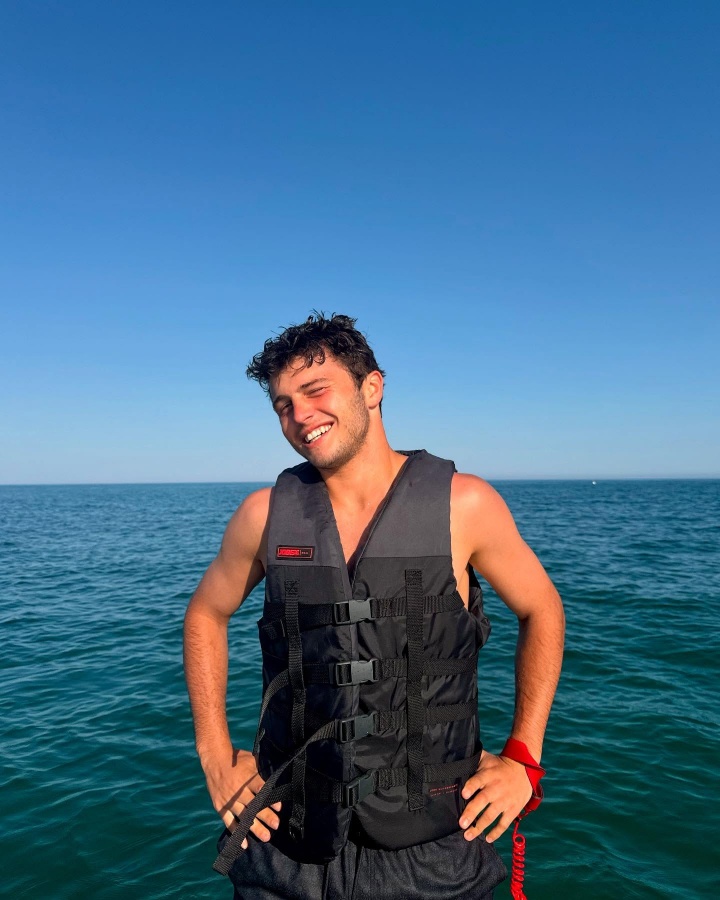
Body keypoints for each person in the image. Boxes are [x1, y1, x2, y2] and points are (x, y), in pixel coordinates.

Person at [184, 313, 565, 899]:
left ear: (371, 387)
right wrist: (214, 755)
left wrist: (523, 757)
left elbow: (542, 609)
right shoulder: (263, 515)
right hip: (286, 845)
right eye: (283, 405)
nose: (300, 415)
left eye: (315, 391)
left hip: (434, 850)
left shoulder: (464, 505)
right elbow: (205, 614)